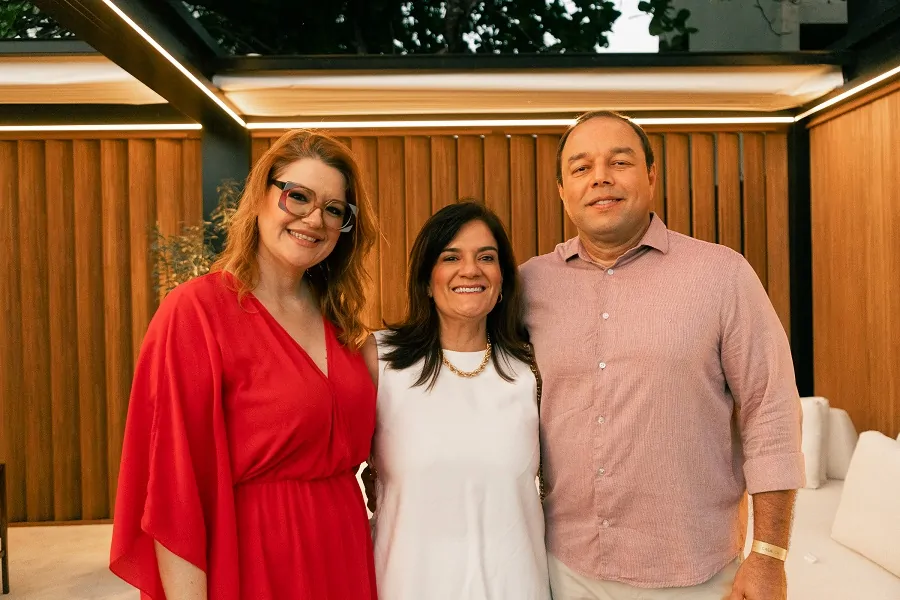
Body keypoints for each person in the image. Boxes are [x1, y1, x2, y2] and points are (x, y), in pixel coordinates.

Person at [519, 111, 805, 600]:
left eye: (619, 162)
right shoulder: (529, 284)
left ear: (651, 176)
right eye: (581, 168)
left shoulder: (722, 275)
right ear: (563, 191)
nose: (600, 178)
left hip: (695, 573)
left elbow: (771, 410)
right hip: (562, 567)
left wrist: (769, 555)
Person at [109, 129, 380, 600]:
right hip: (255, 561)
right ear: (259, 198)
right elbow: (174, 489)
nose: (314, 219)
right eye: (298, 196)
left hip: (343, 553)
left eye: (334, 209)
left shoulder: (342, 323)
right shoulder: (196, 313)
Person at [364, 201, 550, 600]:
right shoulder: (381, 360)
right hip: (405, 588)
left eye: (486, 257)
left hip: (515, 588)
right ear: (426, 280)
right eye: (451, 257)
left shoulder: (531, 369)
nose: (470, 270)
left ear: (502, 281)